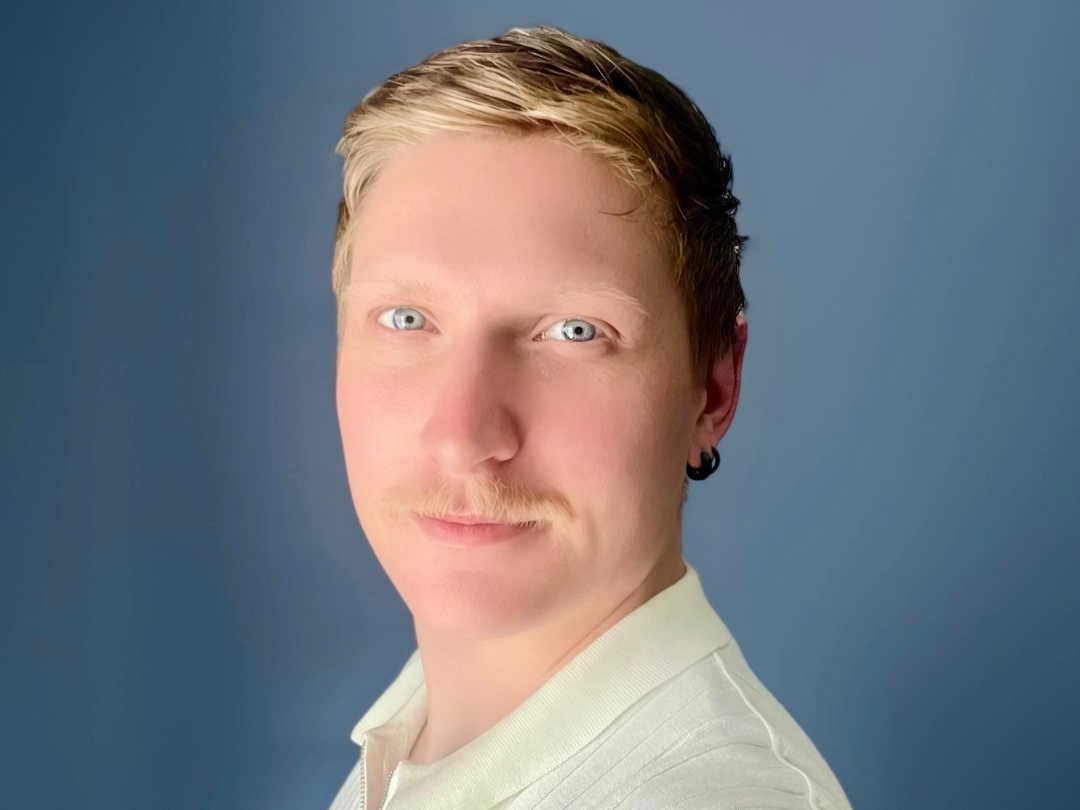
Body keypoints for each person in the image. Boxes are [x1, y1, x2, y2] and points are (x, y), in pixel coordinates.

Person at [327, 24, 852, 810]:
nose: (465, 436)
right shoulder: (414, 737)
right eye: (406, 319)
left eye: (575, 332)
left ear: (712, 389)